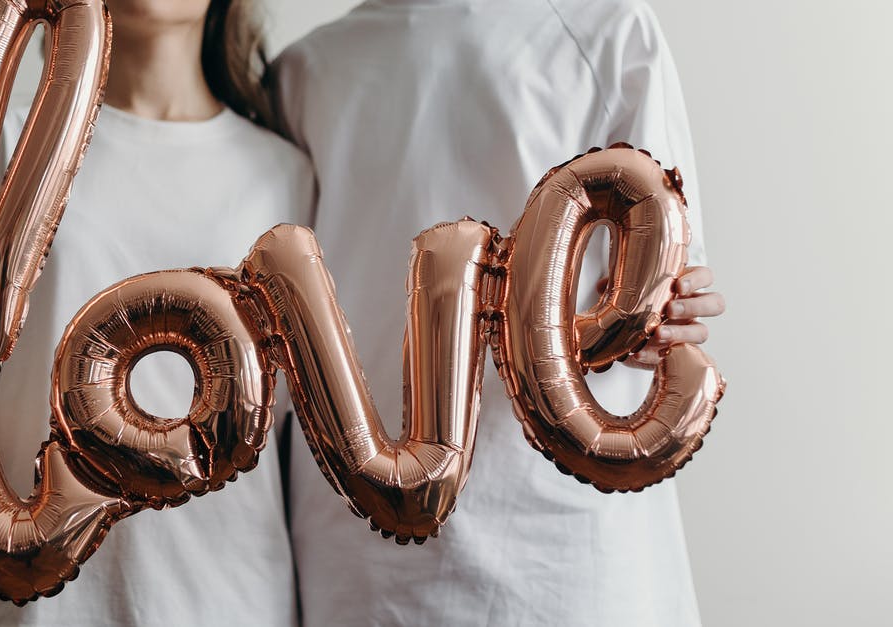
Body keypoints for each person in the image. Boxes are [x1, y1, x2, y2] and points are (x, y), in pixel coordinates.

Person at [272, 1, 725, 625]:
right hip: (363, 561)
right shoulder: (304, 73)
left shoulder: (606, 28)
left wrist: (668, 316)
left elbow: (670, 275)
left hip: (564, 553)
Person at [0, 1, 313, 625]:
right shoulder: (2, 143)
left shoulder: (286, 174)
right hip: (33, 597)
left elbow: (298, 427)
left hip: (225, 591)